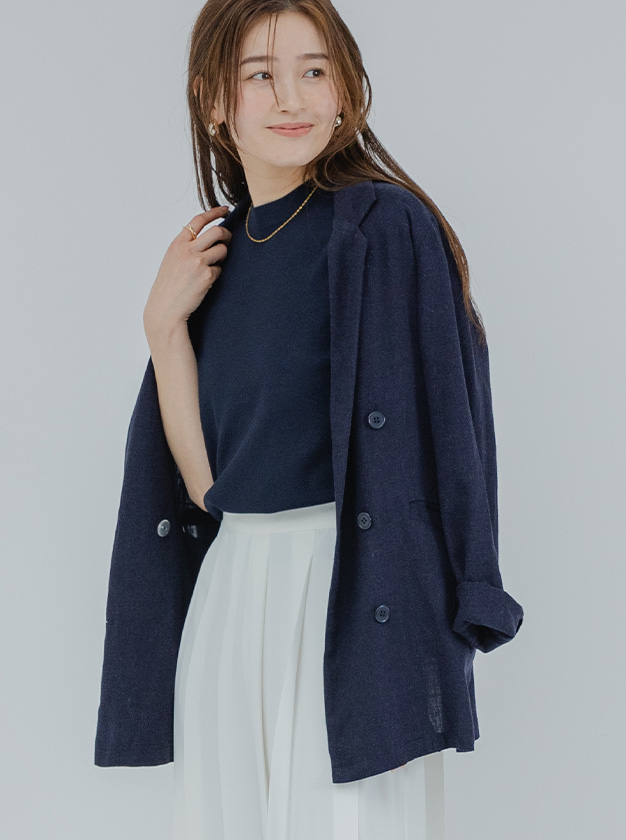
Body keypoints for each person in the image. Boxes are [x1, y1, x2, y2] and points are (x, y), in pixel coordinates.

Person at [96, 0, 525, 837]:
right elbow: (206, 489)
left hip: (359, 589)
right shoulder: (214, 256)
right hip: (234, 592)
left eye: (314, 70)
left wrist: (475, 584)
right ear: (212, 100)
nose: (291, 97)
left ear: (345, 90)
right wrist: (162, 328)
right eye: (260, 75)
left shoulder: (386, 226)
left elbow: (459, 416)